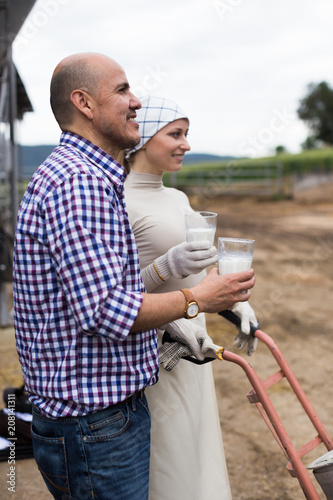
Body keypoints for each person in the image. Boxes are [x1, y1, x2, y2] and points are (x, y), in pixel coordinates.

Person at [13, 53, 255, 500]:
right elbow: (107, 310)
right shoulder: (79, 183)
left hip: (98, 414)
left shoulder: (89, 178)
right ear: (84, 103)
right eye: (122, 90)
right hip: (94, 423)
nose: (136, 101)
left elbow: (101, 295)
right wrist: (197, 298)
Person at [124, 95, 258, 500]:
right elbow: (116, 297)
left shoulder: (178, 198)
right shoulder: (120, 201)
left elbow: (201, 269)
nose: (185, 144)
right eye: (175, 134)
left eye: (187, 135)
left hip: (194, 347)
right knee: (171, 459)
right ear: (145, 137)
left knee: (198, 450)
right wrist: (166, 269)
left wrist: (235, 301)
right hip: (159, 352)